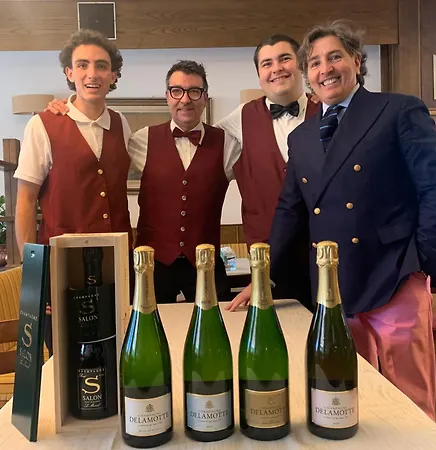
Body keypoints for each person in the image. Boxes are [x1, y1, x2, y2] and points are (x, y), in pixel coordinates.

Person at [228, 20, 436, 421]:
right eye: (315, 62)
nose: (325, 69)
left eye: (335, 57)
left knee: (410, 399)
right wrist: (264, 277)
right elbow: (289, 211)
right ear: (307, 74)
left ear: (357, 62)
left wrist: (424, 261)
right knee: (345, 395)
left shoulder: (397, 110)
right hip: (334, 286)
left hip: (395, 274)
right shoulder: (301, 137)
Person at [14, 29, 133, 355]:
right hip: (62, 271)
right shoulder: (42, 125)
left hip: (116, 268)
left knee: (119, 358)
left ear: (113, 75)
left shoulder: (121, 124)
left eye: (101, 65)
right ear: (69, 73)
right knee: (67, 365)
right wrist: (35, 275)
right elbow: (25, 201)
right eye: (82, 65)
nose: (92, 74)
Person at [217, 35, 320, 306]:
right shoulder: (241, 117)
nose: (277, 69)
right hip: (267, 257)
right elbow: (203, 148)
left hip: (323, 253)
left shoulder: (328, 110)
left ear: (301, 64)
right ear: (259, 75)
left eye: (285, 59)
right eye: (267, 63)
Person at [129, 60, 240, 303]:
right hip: (152, 265)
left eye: (194, 91)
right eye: (177, 91)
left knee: (217, 325)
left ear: (205, 97)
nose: (185, 99)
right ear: (167, 96)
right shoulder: (141, 140)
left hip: (206, 264)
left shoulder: (228, 144)